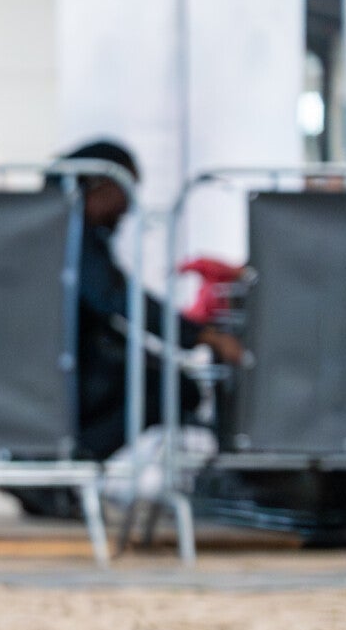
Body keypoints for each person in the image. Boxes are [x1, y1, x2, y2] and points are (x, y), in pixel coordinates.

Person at [62, 140, 242, 461]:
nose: (128, 207)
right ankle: (75, 460)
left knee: (166, 381)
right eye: (126, 191)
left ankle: (72, 461)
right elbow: (114, 296)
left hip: (65, 369)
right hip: (74, 373)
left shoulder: (54, 225)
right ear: (100, 184)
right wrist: (199, 335)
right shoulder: (70, 233)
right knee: (174, 389)